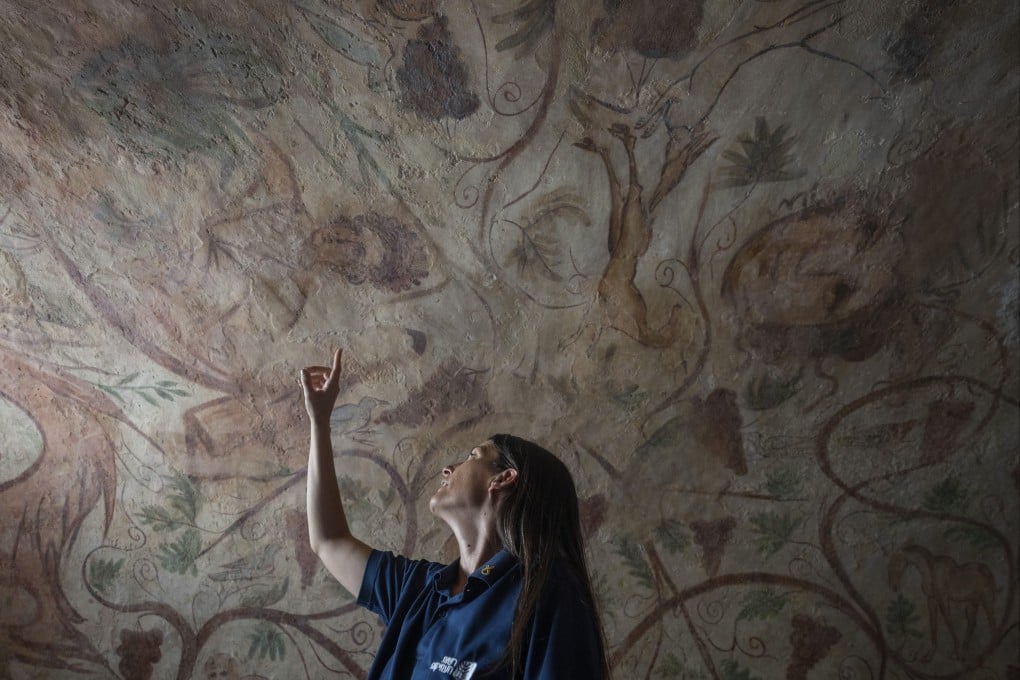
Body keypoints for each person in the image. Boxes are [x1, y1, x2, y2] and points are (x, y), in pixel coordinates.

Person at [301, 349, 610, 679]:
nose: (448, 469)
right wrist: (319, 424)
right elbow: (329, 540)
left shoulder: (546, 592)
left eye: (472, 455)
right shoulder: (418, 588)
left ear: (503, 477)